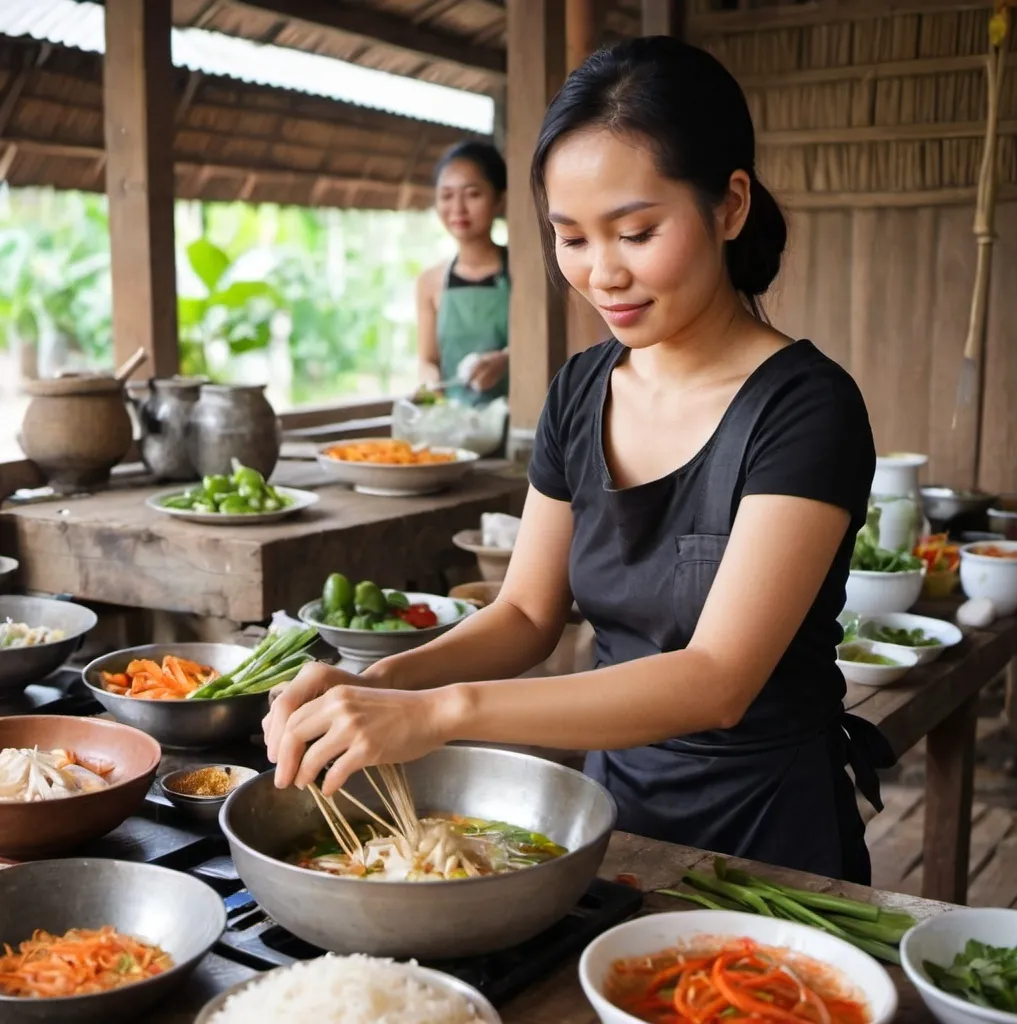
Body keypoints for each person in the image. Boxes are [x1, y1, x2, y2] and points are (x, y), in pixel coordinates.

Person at [264, 37, 894, 884]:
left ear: (731, 205)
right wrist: (379, 684)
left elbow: (717, 680)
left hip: (771, 835)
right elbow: (526, 614)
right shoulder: (578, 391)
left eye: (636, 232)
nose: (603, 275)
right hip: (616, 820)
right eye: (570, 238)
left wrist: (443, 712)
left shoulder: (806, 407)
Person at [415, 140, 510, 406]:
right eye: (446, 196)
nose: (457, 208)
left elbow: (545, 346)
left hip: (521, 422)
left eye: (472, 194)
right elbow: (427, 360)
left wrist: (506, 360)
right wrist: (430, 384)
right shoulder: (429, 282)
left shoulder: (523, 273)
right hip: (455, 425)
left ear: (499, 200)